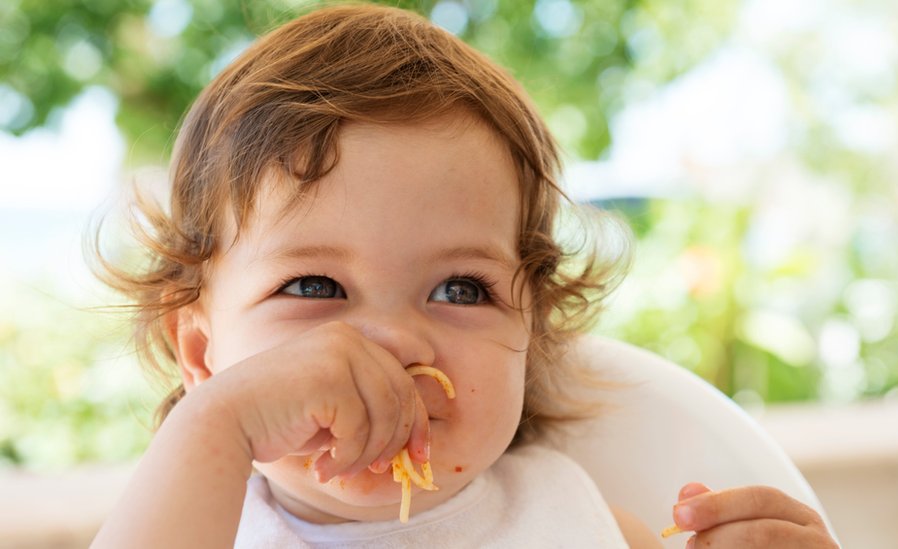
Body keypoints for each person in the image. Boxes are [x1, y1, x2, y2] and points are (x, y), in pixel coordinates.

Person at [92, 4, 837, 548]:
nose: (392, 341)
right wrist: (218, 424)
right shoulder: (197, 524)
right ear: (201, 355)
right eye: (313, 286)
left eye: (460, 289)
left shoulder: (580, 522)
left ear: (528, 336)